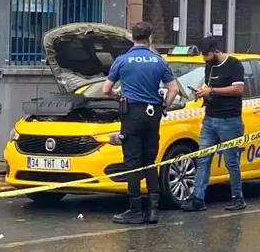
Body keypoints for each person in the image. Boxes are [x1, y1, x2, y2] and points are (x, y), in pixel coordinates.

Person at [102, 21, 178, 225]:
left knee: (133, 163)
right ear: (150, 38)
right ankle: (153, 210)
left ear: (132, 38)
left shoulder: (123, 60)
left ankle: (135, 209)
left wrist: (118, 95)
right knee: (149, 161)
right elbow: (174, 89)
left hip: (132, 114)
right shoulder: (158, 60)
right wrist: (165, 107)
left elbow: (106, 89)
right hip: (153, 114)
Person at [181, 36, 247, 212]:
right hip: (210, 118)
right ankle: (198, 198)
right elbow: (210, 89)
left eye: (206, 55)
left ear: (216, 51)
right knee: (203, 158)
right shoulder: (209, 67)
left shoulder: (234, 64)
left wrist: (213, 90)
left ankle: (237, 197)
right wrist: (204, 93)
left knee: (231, 160)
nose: (204, 58)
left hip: (229, 120)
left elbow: (238, 89)